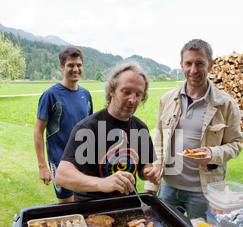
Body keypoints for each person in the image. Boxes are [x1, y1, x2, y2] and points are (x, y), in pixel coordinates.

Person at [144, 39, 243, 220]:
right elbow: (158, 141)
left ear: (211, 65)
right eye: (188, 64)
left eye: (200, 63)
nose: (193, 70)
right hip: (169, 187)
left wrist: (213, 153)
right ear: (181, 65)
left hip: (203, 192)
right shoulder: (167, 99)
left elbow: (236, 144)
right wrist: (151, 186)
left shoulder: (226, 104)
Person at [55, 61, 161, 201]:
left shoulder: (140, 128)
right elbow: (62, 176)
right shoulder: (88, 128)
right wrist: (101, 183)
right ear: (111, 90)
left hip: (128, 207)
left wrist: (149, 172)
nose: (132, 99)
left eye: (138, 94)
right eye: (126, 92)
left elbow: (144, 169)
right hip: (91, 210)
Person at [34, 47, 93, 203]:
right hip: (60, 162)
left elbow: (90, 129)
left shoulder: (85, 94)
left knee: (86, 204)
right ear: (62, 67)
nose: (75, 69)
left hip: (84, 162)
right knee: (67, 207)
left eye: (79, 65)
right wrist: (42, 166)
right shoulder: (50, 95)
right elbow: (38, 131)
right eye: (71, 65)